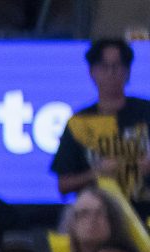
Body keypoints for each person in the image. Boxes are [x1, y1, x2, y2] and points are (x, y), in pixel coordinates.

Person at [54, 38, 150, 222]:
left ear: (127, 71)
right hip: (99, 219)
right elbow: (63, 185)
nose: (111, 73)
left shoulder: (146, 112)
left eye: (117, 66)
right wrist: (96, 173)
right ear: (92, 72)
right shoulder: (79, 122)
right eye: (104, 66)